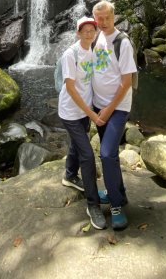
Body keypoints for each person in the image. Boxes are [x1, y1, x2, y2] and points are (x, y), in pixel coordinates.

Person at [58, 16, 107, 230]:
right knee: (87, 155)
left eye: (92, 30)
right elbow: (70, 88)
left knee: (77, 145)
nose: (89, 33)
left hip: (84, 111)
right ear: (78, 33)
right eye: (84, 30)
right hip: (70, 112)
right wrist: (93, 115)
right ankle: (92, 204)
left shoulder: (94, 51)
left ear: (95, 32)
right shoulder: (71, 54)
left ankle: (69, 175)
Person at [92, 0, 137, 230]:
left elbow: (127, 82)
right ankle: (119, 192)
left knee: (107, 153)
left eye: (107, 18)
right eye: (99, 19)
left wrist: (108, 110)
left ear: (114, 17)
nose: (103, 23)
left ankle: (116, 204)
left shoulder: (123, 43)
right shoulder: (95, 38)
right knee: (111, 156)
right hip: (99, 107)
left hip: (117, 108)